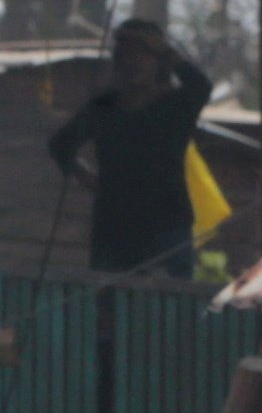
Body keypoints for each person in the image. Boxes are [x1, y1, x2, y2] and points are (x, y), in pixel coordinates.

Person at [46, 17, 215, 278]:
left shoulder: (174, 106)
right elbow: (61, 145)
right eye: (127, 54)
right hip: (115, 227)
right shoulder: (105, 108)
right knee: (113, 302)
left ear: (158, 61)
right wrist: (91, 180)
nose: (134, 62)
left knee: (170, 304)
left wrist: (168, 51)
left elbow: (201, 86)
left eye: (144, 54)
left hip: (167, 223)